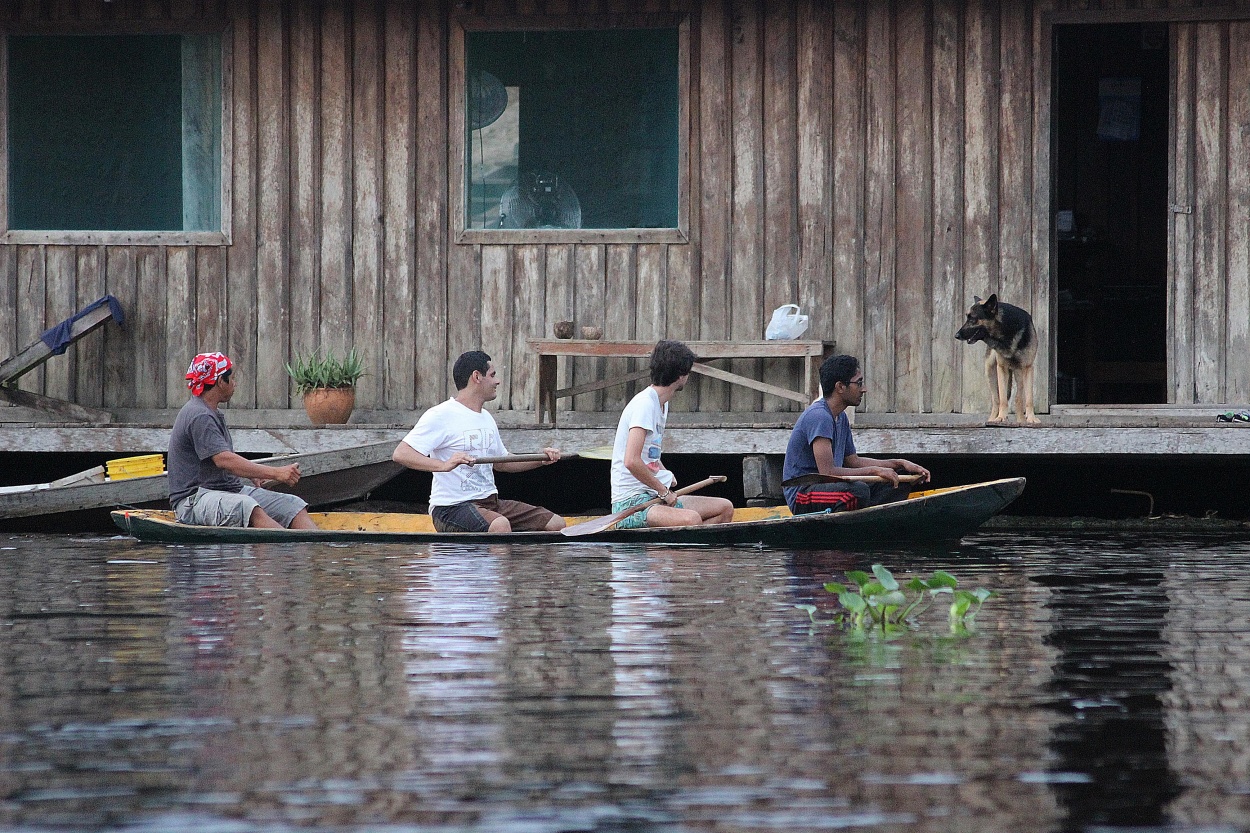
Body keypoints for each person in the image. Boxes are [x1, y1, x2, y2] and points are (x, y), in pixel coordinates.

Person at [393, 350, 565, 533]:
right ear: (477, 376)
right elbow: (401, 454)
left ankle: (515, 562)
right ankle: (497, 559)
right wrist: (443, 465)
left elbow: (503, 462)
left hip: (490, 503)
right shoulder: (441, 415)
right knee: (500, 525)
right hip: (451, 508)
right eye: (492, 375)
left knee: (556, 524)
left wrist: (540, 459)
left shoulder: (487, 418)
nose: (497, 381)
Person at [169, 352, 316, 529]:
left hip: (226, 491)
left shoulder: (211, 413)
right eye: (231, 378)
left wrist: (253, 473)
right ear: (219, 382)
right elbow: (224, 460)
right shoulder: (199, 415)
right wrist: (277, 473)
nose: (234, 383)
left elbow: (223, 460)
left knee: (293, 506)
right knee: (248, 507)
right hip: (193, 501)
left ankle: (314, 548)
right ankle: (284, 552)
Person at [782, 354, 930, 514]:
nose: (863, 389)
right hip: (802, 495)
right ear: (840, 387)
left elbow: (853, 461)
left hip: (830, 487)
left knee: (898, 479)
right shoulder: (820, 416)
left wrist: (899, 464)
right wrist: (874, 471)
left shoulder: (841, 417)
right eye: (858, 383)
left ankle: (870, 517)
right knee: (858, 491)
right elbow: (828, 473)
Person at [610, 340, 735, 528]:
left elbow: (650, 453)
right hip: (631, 504)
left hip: (654, 496)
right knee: (691, 519)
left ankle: (682, 555)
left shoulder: (662, 403)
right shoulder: (644, 404)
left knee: (725, 508)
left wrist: (664, 473)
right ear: (680, 376)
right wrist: (663, 491)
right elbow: (631, 461)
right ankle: (674, 554)